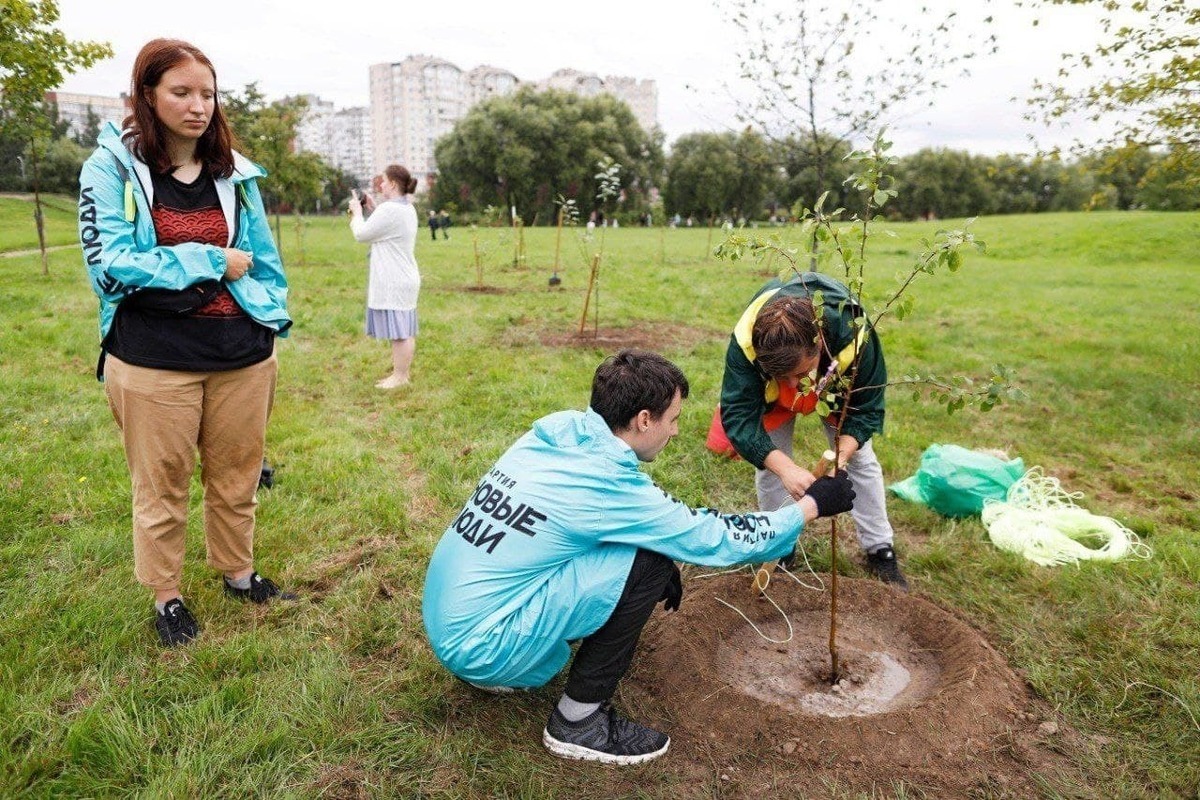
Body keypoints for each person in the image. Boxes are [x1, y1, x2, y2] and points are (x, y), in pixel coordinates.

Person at [422, 350, 855, 765]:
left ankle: (497, 670)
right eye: (674, 420)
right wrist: (809, 508)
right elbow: (712, 538)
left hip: (450, 620)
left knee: (636, 550)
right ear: (644, 419)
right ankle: (577, 723)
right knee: (647, 563)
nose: (676, 432)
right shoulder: (607, 485)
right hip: (482, 644)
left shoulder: (556, 434)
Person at [77, 38, 294, 647]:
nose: (199, 106)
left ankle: (238, 572)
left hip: (242, 355)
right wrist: (207, 260)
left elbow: (259, 258)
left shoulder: (235, 172)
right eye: (181, 92)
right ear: (148, 96)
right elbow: (113, 266)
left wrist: (270, 319)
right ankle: (167, 595)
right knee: (162, 485)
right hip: (153, 360)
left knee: (237, 476)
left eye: (208, 93)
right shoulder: (111, 168)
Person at [719, 271, 908, 589]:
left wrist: (842, 452)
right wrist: (785, 467)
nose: (795, 387)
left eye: (800, 374)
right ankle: (780, 544)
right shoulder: (746, 342)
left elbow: (867, 408)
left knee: (861, 460)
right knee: (771, 464)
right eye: (784, 377)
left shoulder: (854, 335)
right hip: (773, 392)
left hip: (834, 382)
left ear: (819, 343)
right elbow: (739, 416)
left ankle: (879, 549)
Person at [347, 165, 420, 389]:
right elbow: (387, 226)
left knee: (400, 334)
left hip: (395, 279)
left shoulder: (390, 210)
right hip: (404, 277)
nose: (380, 184)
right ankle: (401, 374)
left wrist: (357, 213)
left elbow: (362, 234)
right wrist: (373, 208)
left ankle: (400, 377)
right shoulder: (405, 208)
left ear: (393, 184)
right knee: (404, 330)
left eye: (384, 181)